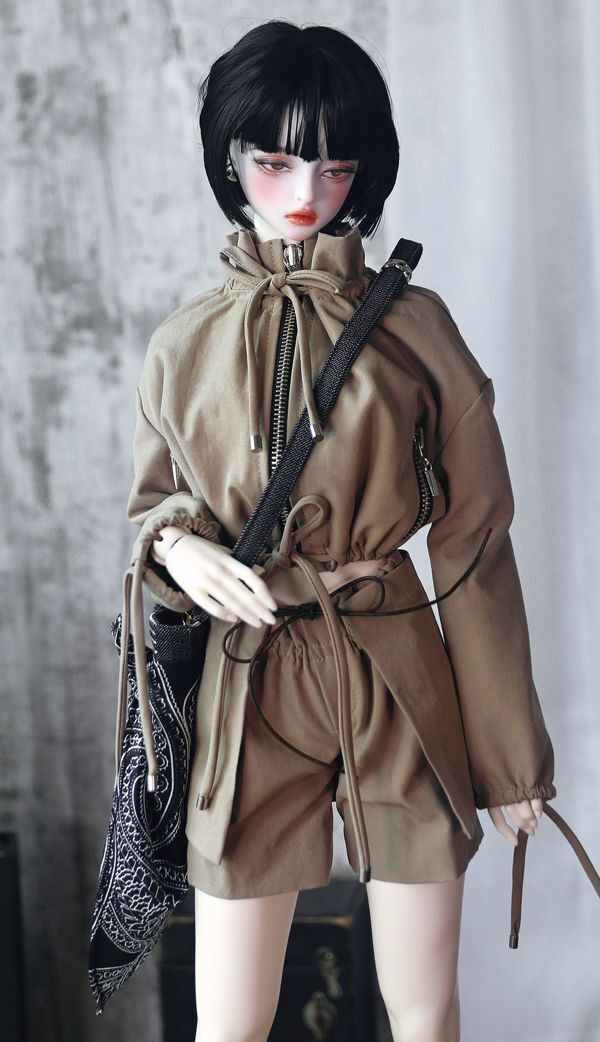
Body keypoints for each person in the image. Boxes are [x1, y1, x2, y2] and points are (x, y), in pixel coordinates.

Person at [123, 20, 557, 1042]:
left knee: (424, 1008)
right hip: (249, 673)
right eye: (274, 161)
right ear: (231, 161)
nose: (305, 190)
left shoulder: (416, 328)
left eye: (333, 163)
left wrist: (510, 758)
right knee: (229, 1019)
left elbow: (474, 537)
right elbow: (153, 502)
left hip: (392, 659)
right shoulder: (185, 342)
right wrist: (179, 544)